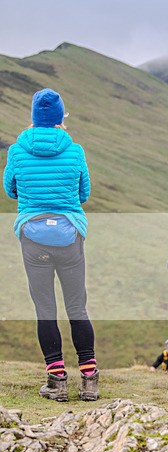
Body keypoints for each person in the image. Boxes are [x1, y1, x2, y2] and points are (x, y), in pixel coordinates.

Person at [3, 88, 98, 402]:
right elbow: (83, 194)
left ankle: (57, 382)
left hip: (33, 237)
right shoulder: (75, 150)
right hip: (69, 236)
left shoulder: (17, 150)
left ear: (34, 116)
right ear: (60, 117)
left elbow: (10, 189)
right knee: (77, 307)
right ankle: (89, 380)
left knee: (45, 309)